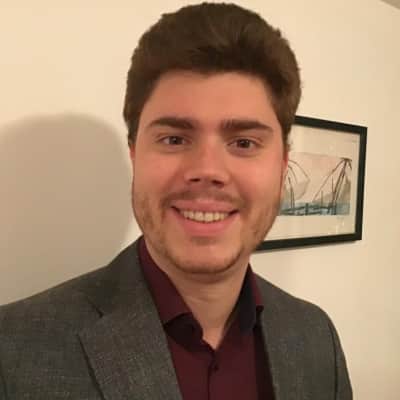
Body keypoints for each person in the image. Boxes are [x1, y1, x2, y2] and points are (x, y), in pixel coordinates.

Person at [0, 3, 352, 399]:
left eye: (243, 143)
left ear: (283, 164)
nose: (208, 170)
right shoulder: (13, 352)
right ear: (135, 153)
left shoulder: (316, 336)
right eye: (174, 139)